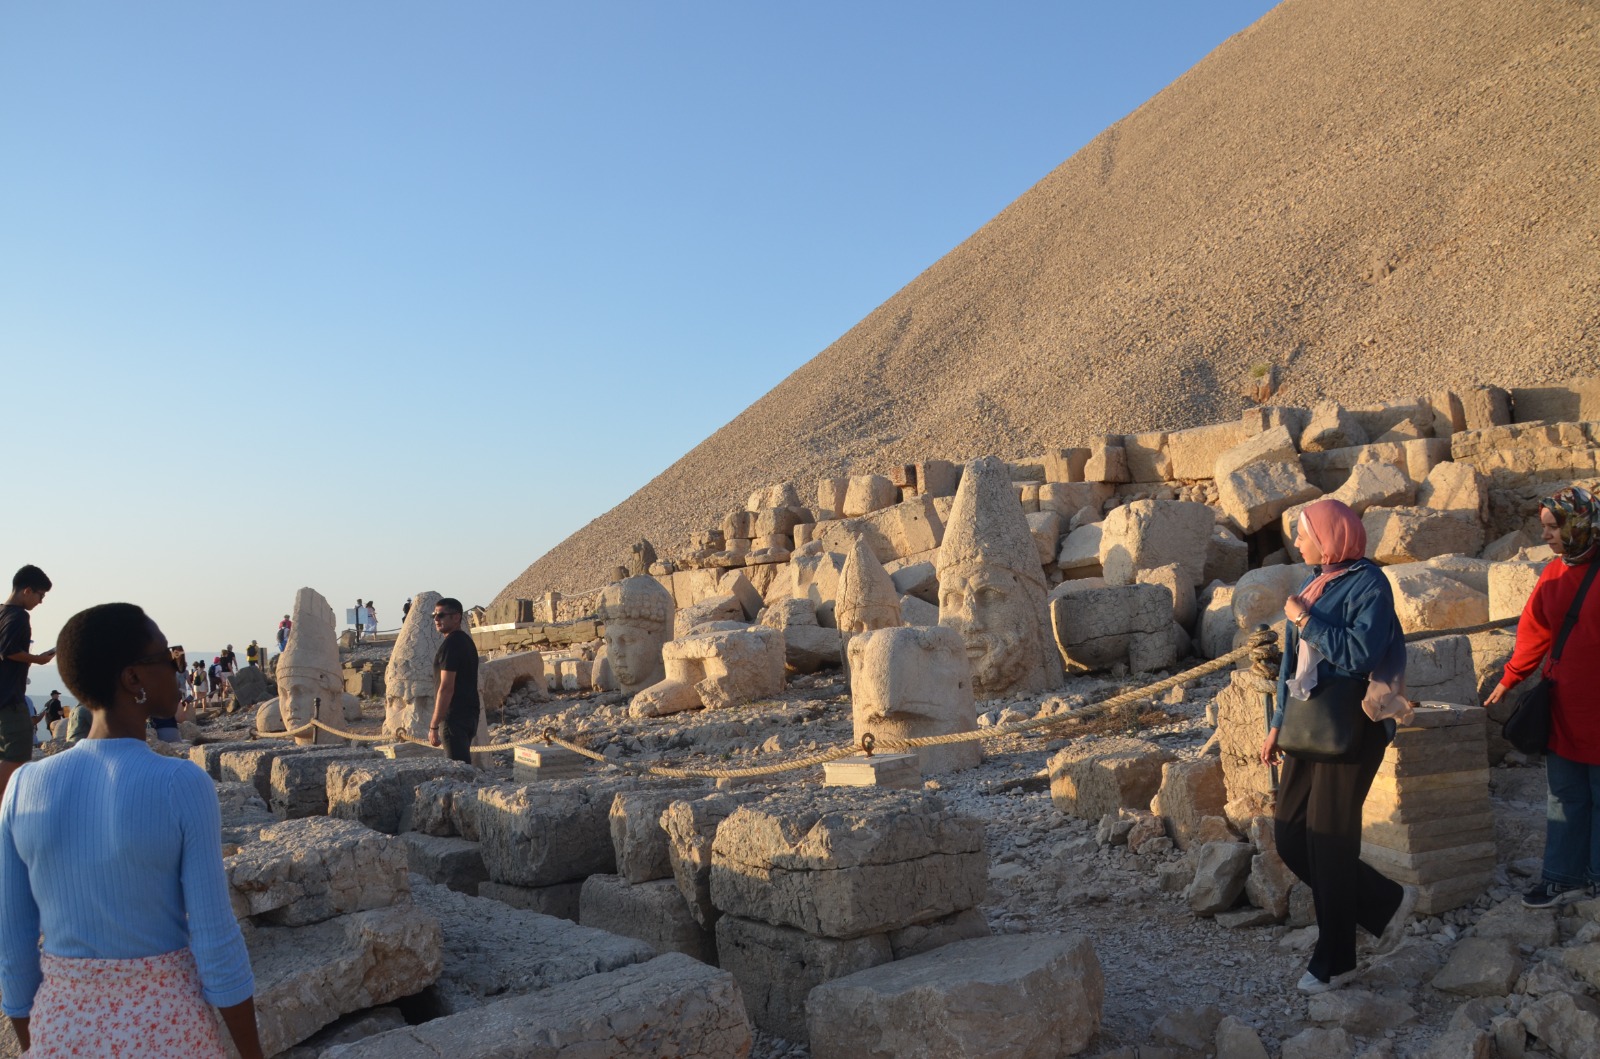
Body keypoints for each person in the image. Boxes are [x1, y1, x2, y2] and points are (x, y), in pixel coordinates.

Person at [0, 602, 263, 1057]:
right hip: (164, 1029)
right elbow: (215, 940)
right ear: (133, 679)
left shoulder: (24, 785)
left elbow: (13, 946)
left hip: (60, 1030)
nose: (176, 671)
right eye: (168, 659)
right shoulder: (181, 784)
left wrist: (36, 1042)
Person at [1259, 499, 1416, 994]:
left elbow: (1361, 653)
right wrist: (1278, 724)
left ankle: (1337, 960)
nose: (1299, 543)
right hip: (1308, 723)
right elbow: (1291, 663)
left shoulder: (1370, 583)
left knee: (1330, 843)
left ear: (1330, 536)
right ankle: (1384, 902)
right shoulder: (1317, 579)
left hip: (1349, 726)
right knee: (1289, 836)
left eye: (1305, 534)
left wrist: (1307, 621)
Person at [1488, 486, 1600, 907]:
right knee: (1565, 794)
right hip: (1566, 706)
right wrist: (1510, 678)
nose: (1548, 536)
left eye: (1554, 527)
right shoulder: (1554, 573)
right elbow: (1535, 631)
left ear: (1579, 522)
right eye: (1545, 528)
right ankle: (1563, 877)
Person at [0, 566, 54, 802]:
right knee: (18, 754)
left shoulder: (2, 613)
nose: (41, 601)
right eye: (40, 595)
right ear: (27, 590)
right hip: (10, 698)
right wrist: (38, 659)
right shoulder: (20, 616)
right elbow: (9, 651)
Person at [429, 597, 479, 763]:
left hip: (454, 717)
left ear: (456, 617)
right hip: (469, 714)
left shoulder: (451, 645)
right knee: (463, 764)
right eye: (434, 615)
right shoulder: (466, 641)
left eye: (441, 615)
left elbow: (446, 687)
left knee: (457, 770)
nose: (436, 619)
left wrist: (434, 725)